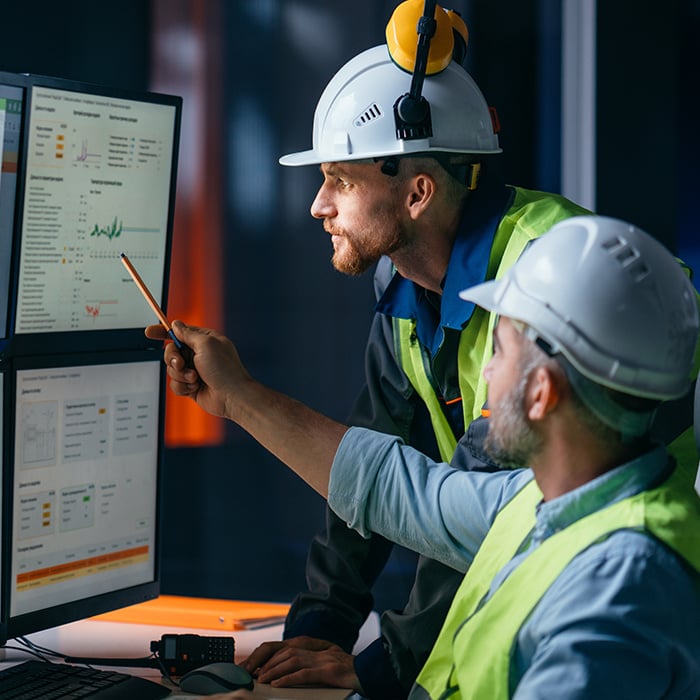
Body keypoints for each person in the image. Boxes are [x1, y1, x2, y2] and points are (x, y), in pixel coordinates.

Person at [149, 215, 700, 698]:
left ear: (541, 393)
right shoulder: (550, 498)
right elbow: (401, 491)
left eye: (500, 351)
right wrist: (238, 397)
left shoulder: (620, 587)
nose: (483, 372)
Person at [223, 3, 595, 695]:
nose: (318, 205)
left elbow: (466, 511)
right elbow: (371, 457)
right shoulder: (407, 289)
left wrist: (378, 668)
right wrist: (321, 629)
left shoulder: (551, 275)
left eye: (341, 179)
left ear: (418, 191)